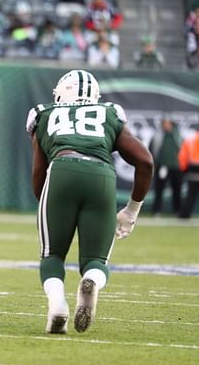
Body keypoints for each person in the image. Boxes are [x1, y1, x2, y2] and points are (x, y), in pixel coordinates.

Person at [26, 70, 153, 334]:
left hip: (60, 170)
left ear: (61, 91)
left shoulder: (44, 113)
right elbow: (145, 161)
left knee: (52, 255)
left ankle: (58, 306)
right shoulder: (109, 113)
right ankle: (91, 279)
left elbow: (38, 173)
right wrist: (131, 210)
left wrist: (47, 204)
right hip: (101, 175)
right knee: (96, 259)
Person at [149, 118, 182, 215]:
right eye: (165, 123)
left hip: (176, 167)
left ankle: (178, 210)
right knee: (159, 189)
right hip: (162, 167)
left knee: (177, 190)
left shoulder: (178, 135)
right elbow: (151, 150)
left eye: (168, 123)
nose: (166, 125)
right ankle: (156, 210)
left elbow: (182, 149)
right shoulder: (157, 136)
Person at [178, 125, 199, 218]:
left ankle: (185, 214)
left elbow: (182, 156)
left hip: (192, 169)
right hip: (193, 169)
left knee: (191, 194)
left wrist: (183, 169)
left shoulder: (190, 140)